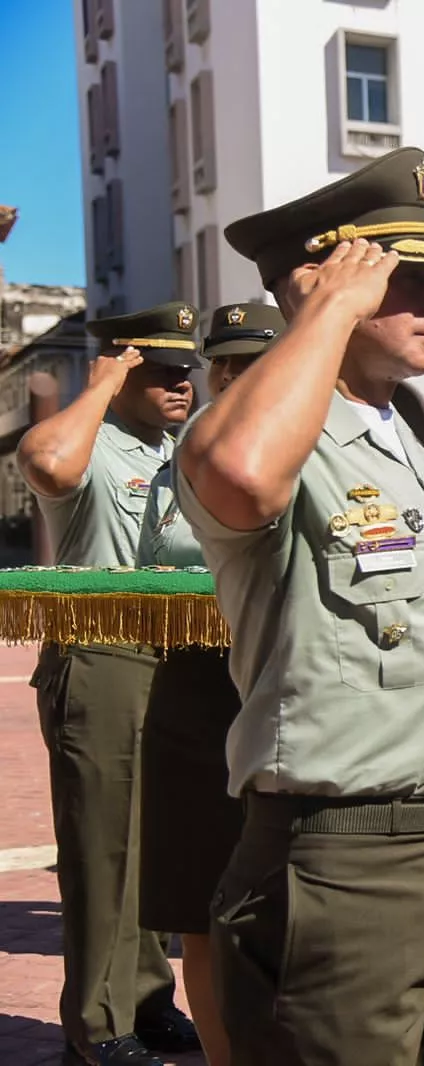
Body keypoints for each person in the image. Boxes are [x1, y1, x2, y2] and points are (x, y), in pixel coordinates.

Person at [177, 147, 424, 1065]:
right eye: (411, 280)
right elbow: (239, 477)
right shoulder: (259, 435)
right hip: (338, 866)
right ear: (324, 284)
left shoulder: (401, 446)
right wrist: (327, 310)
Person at [20, 301, 202, 1066]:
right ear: (122, 368)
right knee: (103, 850)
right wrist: (98, 386)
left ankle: (148, 999)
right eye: (157, 370)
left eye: (185, 372)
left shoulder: (178, 450)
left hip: (173, 659)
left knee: (153, 846)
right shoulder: (94, 444)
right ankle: (96, 1025)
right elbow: (44, 460)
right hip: (101, 654)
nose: (179, 385)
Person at [135, 300, 281, 1066]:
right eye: (225, 365)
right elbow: (165, 550)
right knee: (203, 907)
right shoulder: (192, 449)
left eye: (252, 362)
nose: (232, 377)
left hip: (288, 685)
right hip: (202, 689)